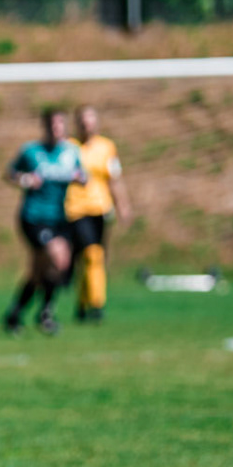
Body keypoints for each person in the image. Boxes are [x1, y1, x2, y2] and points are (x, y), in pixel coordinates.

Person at [3, 109, 85, 336]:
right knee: (57, 258)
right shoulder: (31, 151)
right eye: (53, 125)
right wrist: (25, 179)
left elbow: (83, 176)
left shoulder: (71, 152)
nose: (57, 128)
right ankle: (46, 313)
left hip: (59, 218)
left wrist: (80, 178)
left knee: (40, 272)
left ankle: (15, 313)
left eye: (61, 124)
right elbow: (10, 173)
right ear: (46, 127)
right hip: (33, 217)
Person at [65, 105, 132, 324]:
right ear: (77, 123)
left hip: (100, 209)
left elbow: (115, 178)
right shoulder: (69, 147)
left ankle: (85, 303)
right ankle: (95, 303)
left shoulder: (107, 147)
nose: (87, 124)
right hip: (75, 209)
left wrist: (123, 205)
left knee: (95, 256)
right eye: (83, 120)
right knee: (90, 254)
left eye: (91, 119)